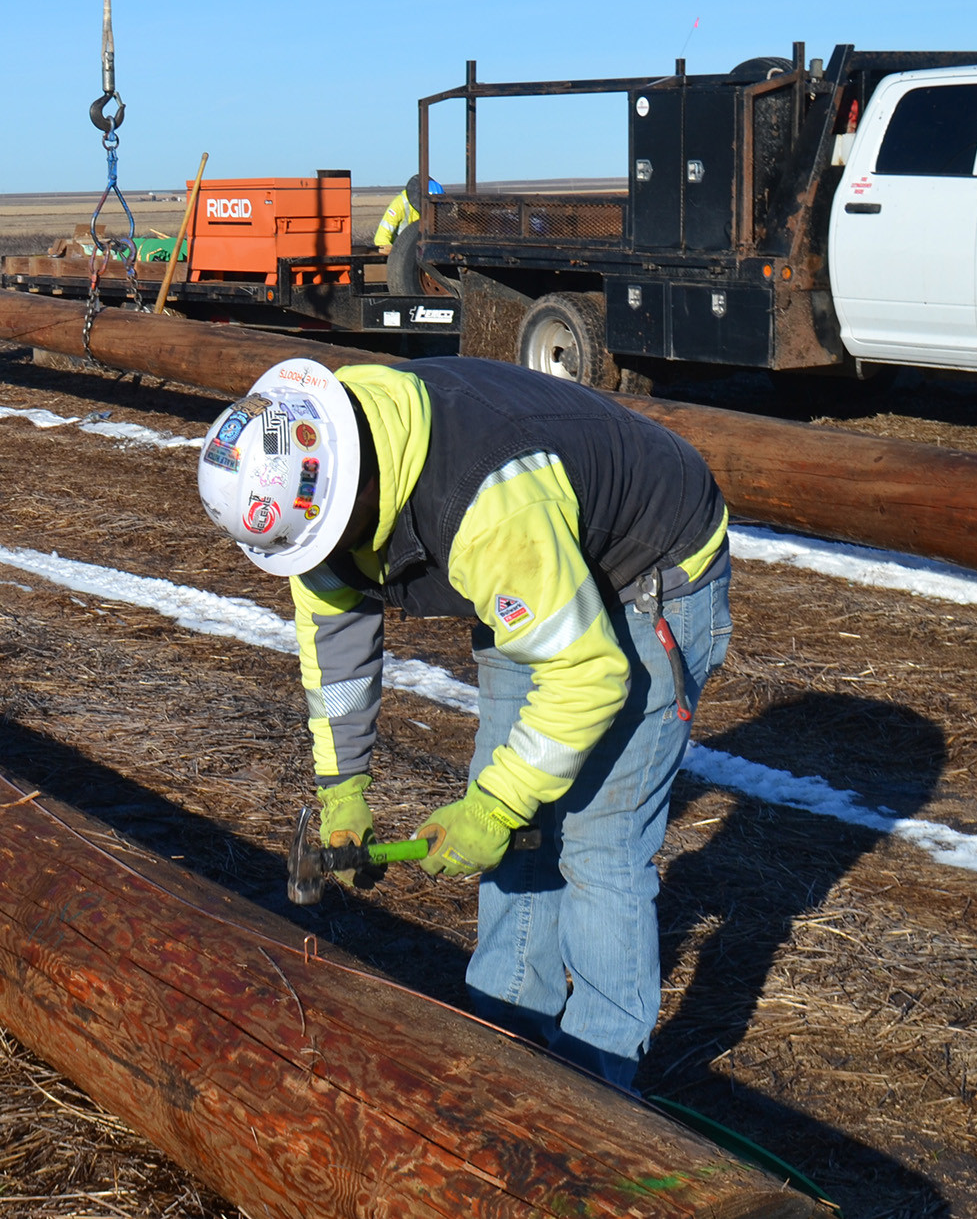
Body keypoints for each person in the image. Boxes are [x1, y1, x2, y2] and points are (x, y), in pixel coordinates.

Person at [196, 355, 729, 1090]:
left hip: (650, 567)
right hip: (538, 573)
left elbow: (589, 672)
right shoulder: (324, 474)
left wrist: (496, 804)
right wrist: (342, 787)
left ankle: (600, 1089)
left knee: (598, 844)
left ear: (355, 486)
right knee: (520, 820)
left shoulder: (485, 507)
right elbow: (337, 653)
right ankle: (506, 1037)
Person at [371, 174, 442, 252]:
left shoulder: (438, 209)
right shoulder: (401, 203)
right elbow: (382, 235)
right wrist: (390, 250)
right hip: (399, 250)